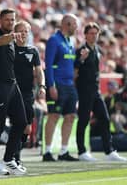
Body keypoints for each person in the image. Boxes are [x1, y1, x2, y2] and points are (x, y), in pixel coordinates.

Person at [75, 22, 127, 161]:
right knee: (84, 120)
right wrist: (81, 59)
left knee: (104, 118)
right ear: (85, 35)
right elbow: (75, 70)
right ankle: (81, 152)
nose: (93, 36)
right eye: (91, 33)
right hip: (84, 90)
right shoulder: (82, 50)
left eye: (95, 33)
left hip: (95, 91)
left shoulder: (97, 49)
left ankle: (109, 151)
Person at [0, 8, 27, 175]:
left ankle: (9, 158)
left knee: (21, 122)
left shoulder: (12, 40)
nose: (10, 22)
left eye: (13, 20)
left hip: (12, 85)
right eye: (8, 19)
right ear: (1, 20)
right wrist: (11, 37)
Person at [43, 14, 79, 162]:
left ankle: (64, 151)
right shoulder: (54, 40)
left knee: (70, 117)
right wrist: (51, 85)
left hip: (70, 85)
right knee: (54, 116)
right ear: (67, 24)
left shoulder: (71, 42)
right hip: (58, 84)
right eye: (75, 24)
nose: (77, 27)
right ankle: (47, 151)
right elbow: (49, 64)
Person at [12, 20, 46, 169]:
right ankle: (14, 158)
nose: (24, 34)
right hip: (11, 92)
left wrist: (42, 86)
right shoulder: (9, 49)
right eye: (21, 31)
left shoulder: (33, 51)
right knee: (17, 124)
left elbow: (39, 71)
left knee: (27, 128)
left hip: (27, 93)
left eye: (26, 31)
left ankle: (14, 154)